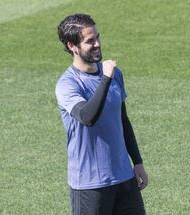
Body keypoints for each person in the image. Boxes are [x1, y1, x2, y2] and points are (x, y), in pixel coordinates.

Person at [55, 13, 148, 215]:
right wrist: (105, 79)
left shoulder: (115, 74)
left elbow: (122, 120)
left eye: (97, 37)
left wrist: (137, 161)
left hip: (124, 177)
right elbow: (88, 117)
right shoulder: (68, 85)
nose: (97, 44)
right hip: (90, 184)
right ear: (72, 46)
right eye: (90, 41)